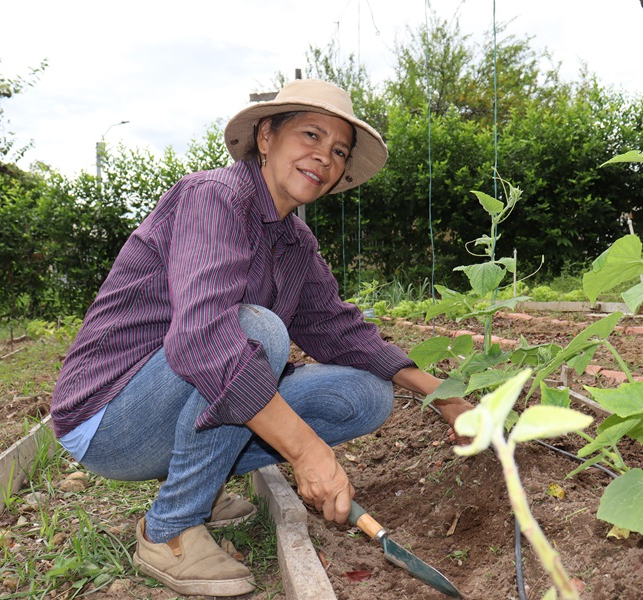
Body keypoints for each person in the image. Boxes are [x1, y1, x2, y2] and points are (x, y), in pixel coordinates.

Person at [49, 79, 473, 597]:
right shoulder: (213, 198)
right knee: (255, 331)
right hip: (108, 416)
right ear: (267, 137)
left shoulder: (294, 241)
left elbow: (337, 327)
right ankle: (170, 531)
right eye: (311, 135)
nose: (325, 157)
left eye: (339, 151)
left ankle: (198, 487)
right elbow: (203, 343)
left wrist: (444, 395)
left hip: (165, 405)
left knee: (362, 396)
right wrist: (306, 452)